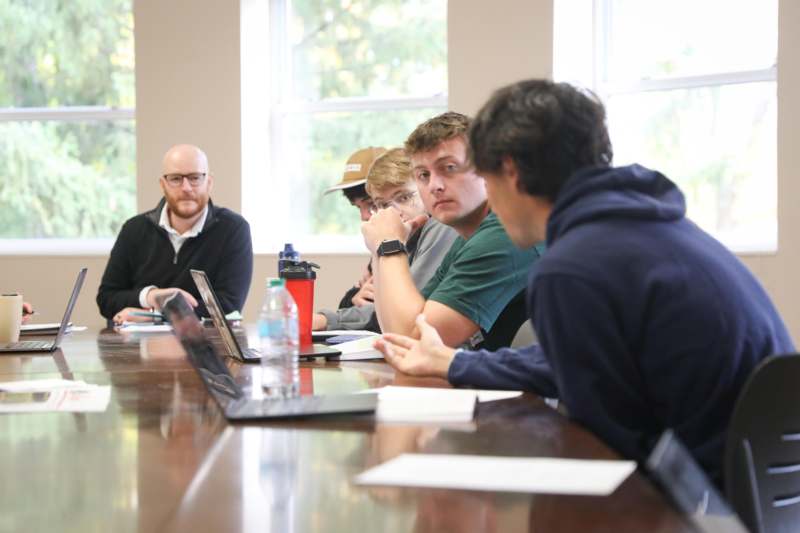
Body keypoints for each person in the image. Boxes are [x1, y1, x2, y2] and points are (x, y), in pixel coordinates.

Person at [373, 80, 794, 483]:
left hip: (691, 500)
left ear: (511, 172)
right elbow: (577, 360)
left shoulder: (574, 266)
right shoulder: (651, 227)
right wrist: (458, 363)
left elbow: (599, 445)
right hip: (754, 488)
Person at [362, 112, 544, 350]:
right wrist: (379, 248)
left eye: (449, 168)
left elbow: (414, 340)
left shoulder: (505, 233)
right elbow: (394, 330)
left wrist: (389, 245)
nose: (435, 185)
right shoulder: (471, 235)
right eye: (423, 175)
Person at [97, 144, 253, 324]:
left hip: (206, 348)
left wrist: (153, 316)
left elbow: (228, 305)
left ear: (209, 183)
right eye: (176, 178)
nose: (186, 187)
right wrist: (152, 296)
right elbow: (107, 300)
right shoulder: (134, 229)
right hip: (137, 348)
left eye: (195, 178)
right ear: (163, 184)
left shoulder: (233, 229)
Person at [313, 148, 457, 331]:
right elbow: (370, 305)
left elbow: (405, 316)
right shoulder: (403, 237)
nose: (392, 213)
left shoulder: (439, 227)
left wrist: (330, 319)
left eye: (404, 197)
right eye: (381, 205)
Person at [316, 147, 386, 329]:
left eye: (371, 204)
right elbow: (355, 299)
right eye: (358, 207)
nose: (364, 216)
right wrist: (354, 299)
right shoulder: (380, 244)